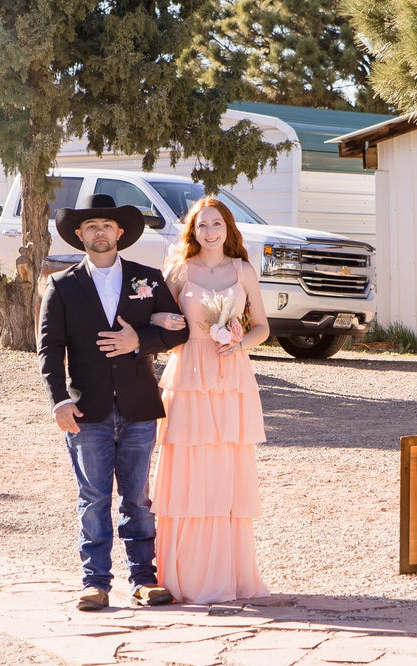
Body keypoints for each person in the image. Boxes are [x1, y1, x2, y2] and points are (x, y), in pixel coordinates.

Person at [37, 194, 189, 611]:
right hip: (86, 410)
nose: (99, 232)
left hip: (139, 406)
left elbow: (179, 331)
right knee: (94, 498)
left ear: (120, 232)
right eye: (91, 226)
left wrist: (139, 340)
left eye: (106, 225)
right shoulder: (63, 285)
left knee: (137, 498)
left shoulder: (147, 278)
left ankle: (143, 579)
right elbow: (49, 349)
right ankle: (95, 582)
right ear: (79, 234)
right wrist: (58, 401)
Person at [150, 196, 270, 604]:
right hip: (188, 373)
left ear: (228, 227)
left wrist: (239, 344)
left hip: (231, 375)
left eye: (217, 224)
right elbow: (157, 317)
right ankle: (186, 575)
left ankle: (226, 573)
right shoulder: (179, 270)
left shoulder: (243, 270)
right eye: (202, 225)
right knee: (188, 463)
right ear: (193, 231)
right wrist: (162, 320)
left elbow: (262, 327)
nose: (210, 231)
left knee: (224, 465)